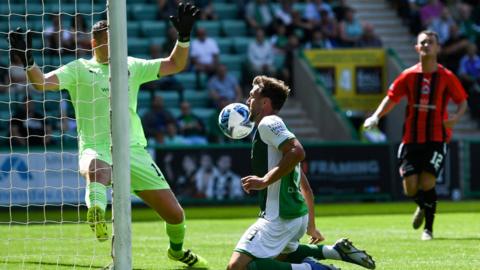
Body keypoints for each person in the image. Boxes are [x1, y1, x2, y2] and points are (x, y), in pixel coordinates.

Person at [8, 3, 208, 268]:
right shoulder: (79, 68)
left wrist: (183, 39)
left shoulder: (132, 66)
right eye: (107, 40)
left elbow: (175, 64)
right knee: (98, 171)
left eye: (117, 39)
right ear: (94, 42)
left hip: (133, 150)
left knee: (175, 214)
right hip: (95, 146)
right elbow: (42, 83)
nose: (114, 44)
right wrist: (28, 60)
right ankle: (97, 214)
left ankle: (177, 251)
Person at [227, 75, 376, 270]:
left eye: (252, 96)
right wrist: (310, 224)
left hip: (279, 216)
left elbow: (298, 152)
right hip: (296, 216)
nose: (248, 101)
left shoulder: (268, 123)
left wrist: (264, 181)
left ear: (265, 102)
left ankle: (315, 269)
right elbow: (304, 185)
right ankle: (335, 251)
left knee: (237, 267)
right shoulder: (275, 131)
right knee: (283, 255)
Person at [363, 30, 468, 241]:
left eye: (431, 42)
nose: (427, 45)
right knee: (410, 188)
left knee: (428, 181)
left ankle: (428, 229)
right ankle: (422, 204)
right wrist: (376, 116)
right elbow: (391, 98)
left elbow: (462, 101)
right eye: (423, 42)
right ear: (417, 48)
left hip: (437, 137)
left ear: (438, 48)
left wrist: (455, 118)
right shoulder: (409, 75)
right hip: (411, 139)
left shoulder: (446, 76)